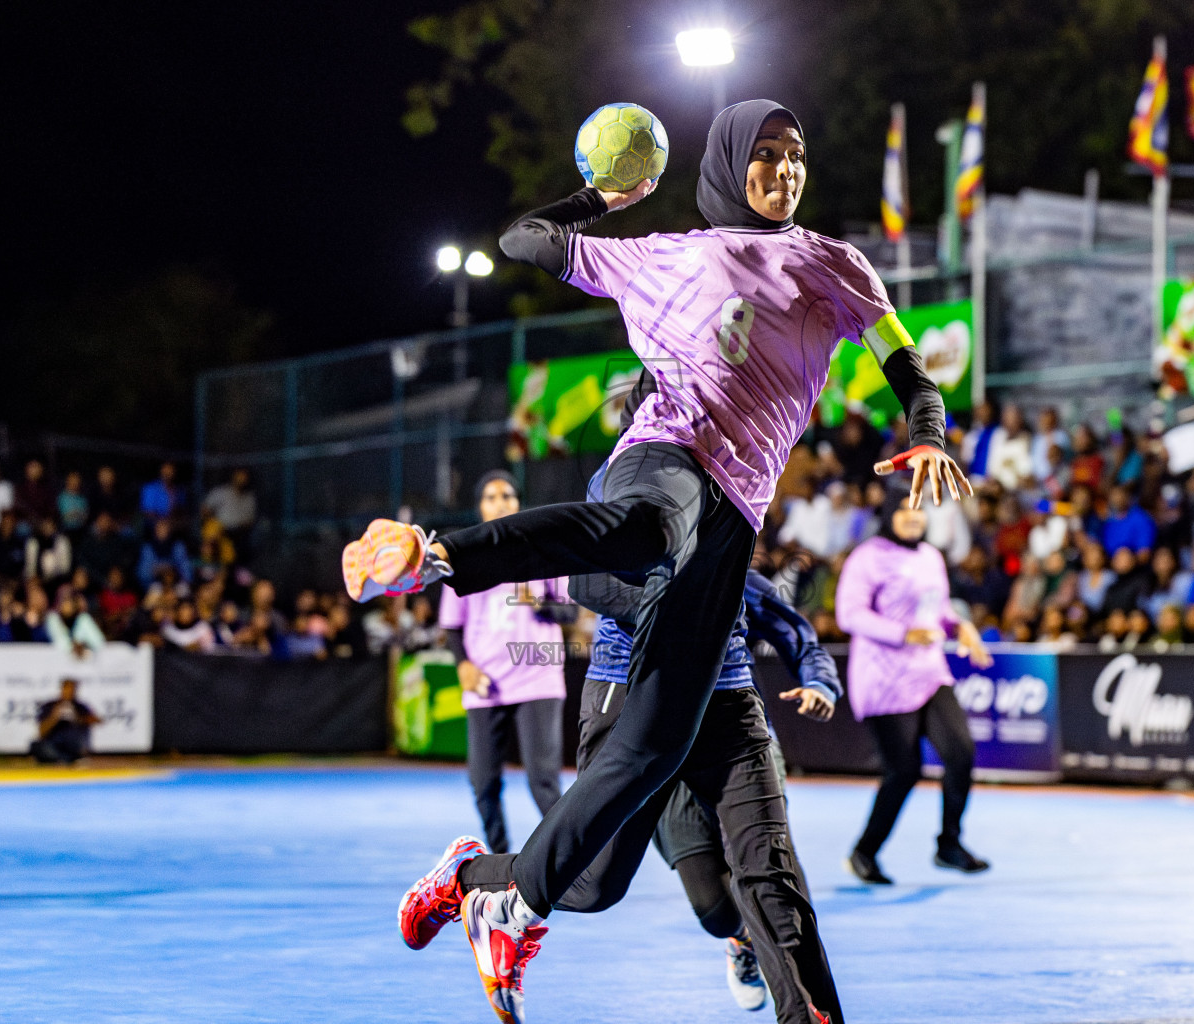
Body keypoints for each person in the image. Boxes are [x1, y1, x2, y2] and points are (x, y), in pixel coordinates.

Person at [380, 100, 966, 1024]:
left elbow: (910, 368)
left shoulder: (831, 262)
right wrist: (605, 197)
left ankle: (486, 883)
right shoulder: (661, 253)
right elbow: (524, 240)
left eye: (796, 155)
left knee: (634, 804)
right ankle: (439, 554)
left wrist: (928, 433)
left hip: (732, 523)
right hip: (663, 464)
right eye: (766, 156)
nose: (784, 171)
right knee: (650, 535)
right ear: (731, 164)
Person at [557, 395, 843, 1014]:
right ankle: (736, 940)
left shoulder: (735, 504)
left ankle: (799, 998)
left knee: (770, 878)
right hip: (642, 709)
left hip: (726, 713)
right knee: (694, 903)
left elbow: (798, 634)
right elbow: (584, 581)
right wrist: (676, 598)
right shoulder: (619, 481)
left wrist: (821, 682)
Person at [836, 487, 993, 882]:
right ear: (888, 515)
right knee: (904, 771)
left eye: (917, 511)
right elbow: (849, 614)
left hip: (928, 671)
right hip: (884, 678)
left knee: (960, 752)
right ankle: (864, 853)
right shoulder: (867, 557)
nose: (912, 518)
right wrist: (902, 633)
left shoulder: (930, 556)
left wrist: (962, 625)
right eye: (903, 511)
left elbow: (937, 609)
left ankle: (949, 845)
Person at [439, 470, 571, 856]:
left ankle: (564, 858)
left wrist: (541, 604)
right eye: (491, 496)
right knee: (482, 782)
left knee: (543, 780)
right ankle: (500, 857)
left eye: (508, 495)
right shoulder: (463, 558)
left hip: (537, 678)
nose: (501, 502)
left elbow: (569, 613)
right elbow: (452, 628)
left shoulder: (541, 551)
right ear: (480, 507)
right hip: (486, 682)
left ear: (518, 504)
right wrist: (463, 665)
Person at [30, 678, 101, 764]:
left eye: (72, 689)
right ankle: (63, 759)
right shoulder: (50, 705)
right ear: (62, 689)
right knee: (37, 746)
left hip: (73, 743)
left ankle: (67, 759)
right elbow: (41, 731)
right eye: (67, 689)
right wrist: (55, 717)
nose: (69, 692)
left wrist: (77, 718)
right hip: (54, 743)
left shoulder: (79, 706)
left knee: (76, 743)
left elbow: (97, 720)